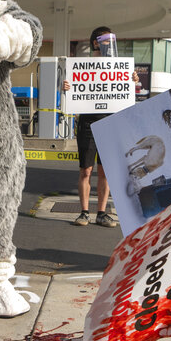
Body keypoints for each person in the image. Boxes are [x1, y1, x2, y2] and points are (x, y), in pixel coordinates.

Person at [62, 26, 121, 227]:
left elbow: (125, 91)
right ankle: (84, 212)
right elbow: (73, 92)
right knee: (85, 171)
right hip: (88, 123)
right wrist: (67, 88)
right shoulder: (82, 66)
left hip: (110, 122)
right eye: (105, 41)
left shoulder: (118, 67)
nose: (109, 45)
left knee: (105, 172)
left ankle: (102, 213)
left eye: (111, 41)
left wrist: (133, 81)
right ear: (96, 42)